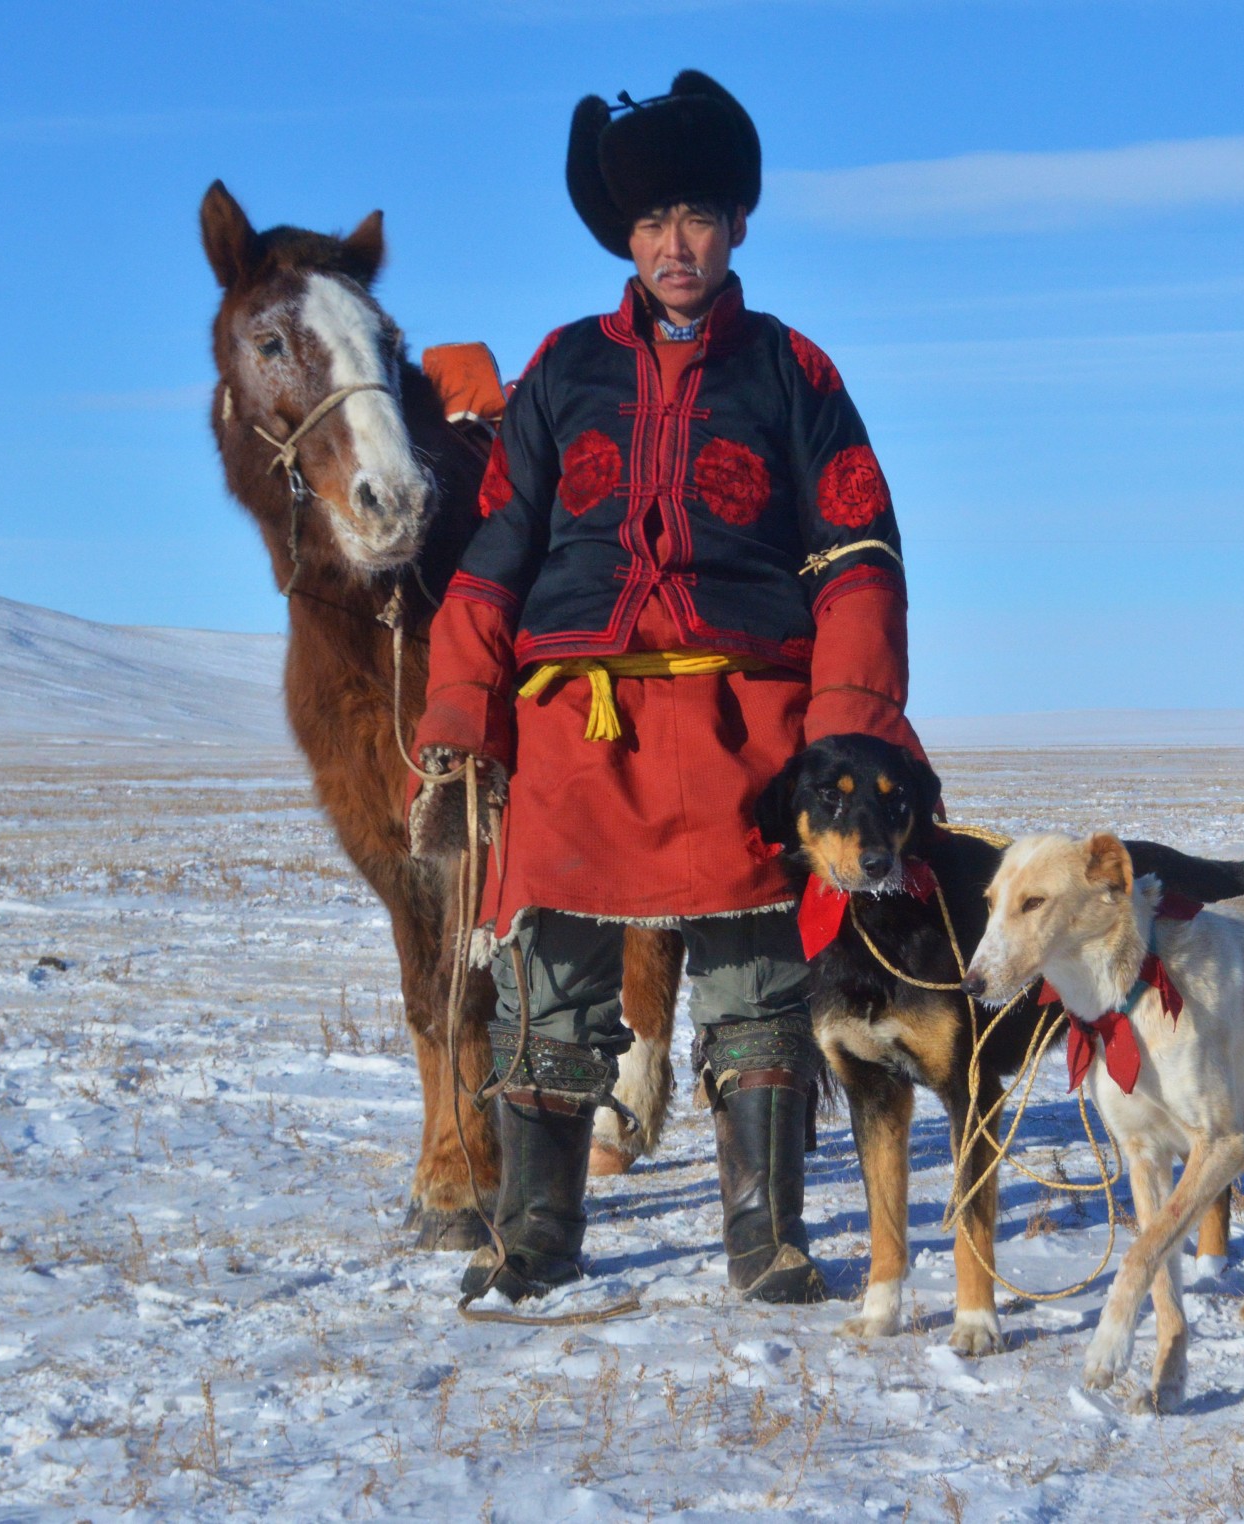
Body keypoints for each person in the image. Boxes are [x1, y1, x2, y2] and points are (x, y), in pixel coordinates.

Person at [408, 71, 923, 1307]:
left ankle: (767, 1240)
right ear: (623, 241)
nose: (673, 244)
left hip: (745, 725)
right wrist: (460, 719)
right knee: (552, 984)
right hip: (578, 723)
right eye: (649, 225)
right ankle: (536, 1234)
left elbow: (859, 556)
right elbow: (494, 555)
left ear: (737, 223)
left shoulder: (793, 371)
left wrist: (845, 731)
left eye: (695, 216)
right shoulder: (563, 367)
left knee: (756, 987)